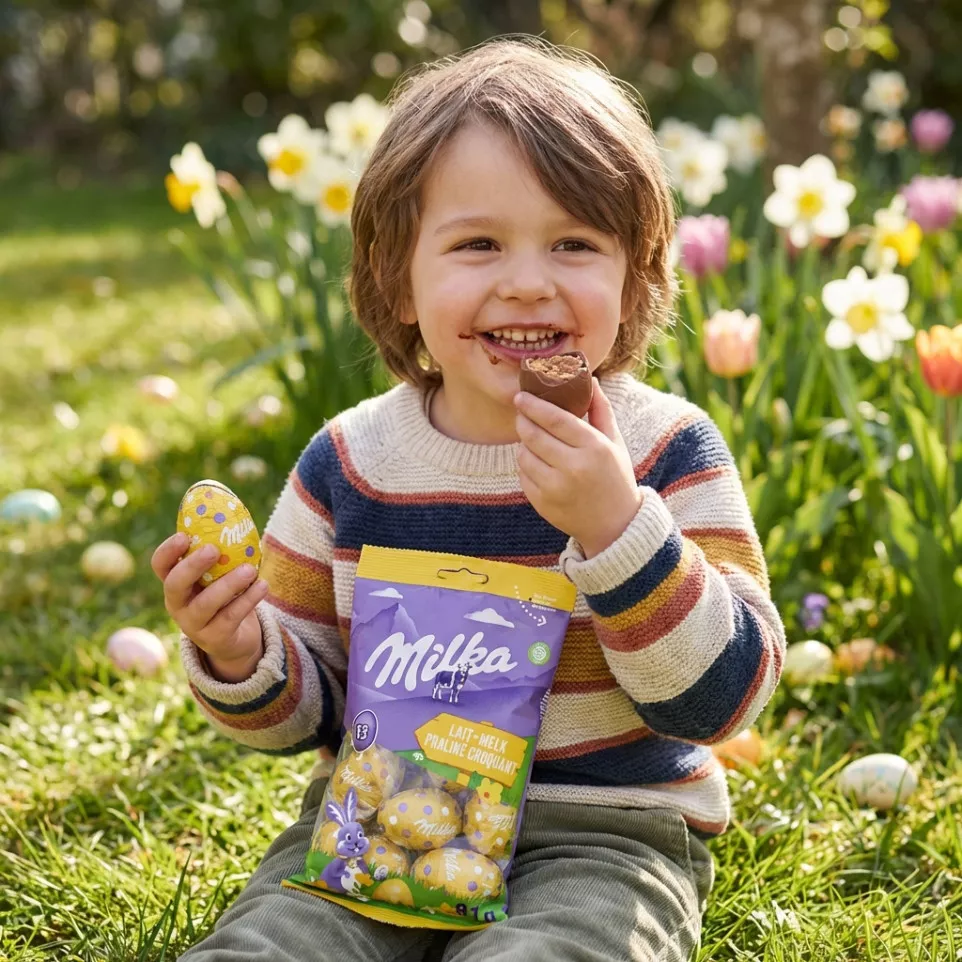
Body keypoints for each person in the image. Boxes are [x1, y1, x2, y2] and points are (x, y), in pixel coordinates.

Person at [151, 35, 785, 962]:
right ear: (398, 280)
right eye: (478, 244)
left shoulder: (664, 451)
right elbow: (306, 713)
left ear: (634, 277)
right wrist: (239, 650)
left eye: (575, 243)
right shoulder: (350, 465)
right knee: (272, 947)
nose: (527, 281)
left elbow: (723, 700)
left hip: (600, 835)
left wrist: (618, 530)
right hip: (373, 825)